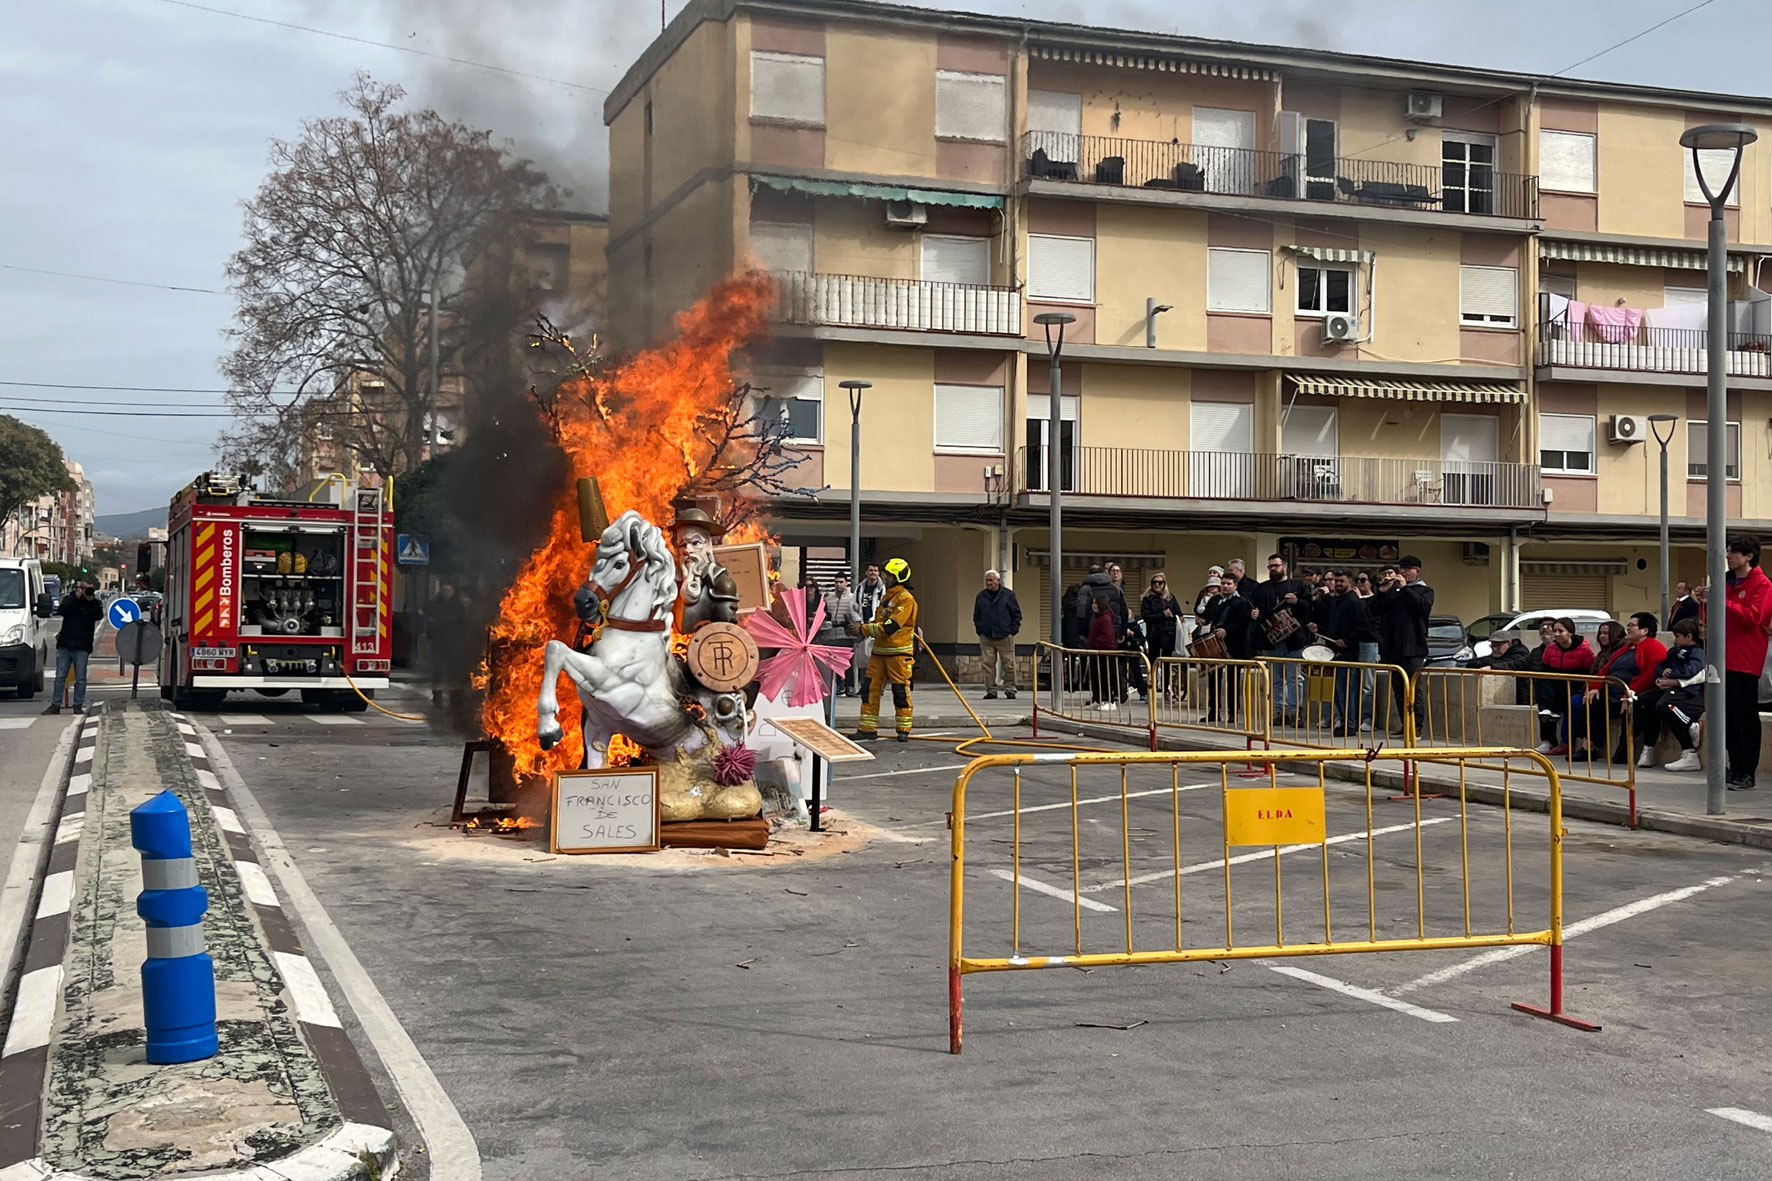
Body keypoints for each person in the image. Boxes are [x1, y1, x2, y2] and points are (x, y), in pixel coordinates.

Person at [1716, 536, 1772, 789]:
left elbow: (1753, 617)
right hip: (1722, 658)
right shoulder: (1726, 581)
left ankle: (1746, 771)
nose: (1729, 556)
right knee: (1726, 717)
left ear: (1749, 556)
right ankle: (1733, 765)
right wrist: (1707, 602)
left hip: (1745, 659)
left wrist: (1723, 602)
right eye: (1728, 551)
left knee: (1745, 718)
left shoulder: (1762, 584)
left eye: (1734, 552)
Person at [848, 558, 918, 742]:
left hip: (898, 654)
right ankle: (867, 728)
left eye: (888, 575)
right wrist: (862, 626)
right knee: (869, 689)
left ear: (898, 577)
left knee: (900, 691)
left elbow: (890, 626)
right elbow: (879, 622)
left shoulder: (905, 599)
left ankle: (903, 729)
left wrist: (862, 629)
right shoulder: (888, 597)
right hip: (879, 652)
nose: (884, 577)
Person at [1369, 555, 1434, 734]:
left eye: (1407, 569)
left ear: (1416, 571)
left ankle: (1416, 726)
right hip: (1393, 647)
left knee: (1413, 688)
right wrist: (1382, 591)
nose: (1403, 573)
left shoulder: (1425, 591)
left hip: (1413, 648)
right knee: (1398, 690)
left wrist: (1405, 588)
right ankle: (1405, 724)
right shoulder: (1394, 591)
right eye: (1401, 569)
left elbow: (1422, 608)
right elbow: (1374, 610)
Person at [1558, 620, 1638, 762]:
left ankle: (1591, 746)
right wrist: (1593, 688)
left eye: (1606, 633)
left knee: (1591, 703)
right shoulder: (1602, 653)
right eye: (1600, 633)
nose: (1602, 636)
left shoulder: (1621, 652)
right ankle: (1569, 742)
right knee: (1576, 701)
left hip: (1616, 692)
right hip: (1597, 689)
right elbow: (1596, 674)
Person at [1637, 619, 1708, 771]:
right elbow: (1660, 665)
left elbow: (1692, 670)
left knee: (1665, 706)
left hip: (1688, 691)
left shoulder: (1697, 652)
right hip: (1669, 687)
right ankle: (1649, 747)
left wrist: (1673, 676)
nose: (1675, 639)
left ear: (1689, 636)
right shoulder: (1674, 651)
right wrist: (1662, 673)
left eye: (1678, 636)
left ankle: (1690, 731)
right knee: (1644, 700)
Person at [1313, 569, 1374, 737]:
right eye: (1336, 580)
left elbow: (1363, 628)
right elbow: (1332, 626)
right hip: (1333, 651)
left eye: (1342, 581)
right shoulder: (1336, 601)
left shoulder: (1354, 602)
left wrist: (1346, 641)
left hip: (1347, 653)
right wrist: (1319, 629)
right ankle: (1343, 721)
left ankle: (1349, 724)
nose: (1338, 584)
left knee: (1346, 691)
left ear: (1350, 582)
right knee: (1338, 692)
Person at [1250, 553, 1309, 722]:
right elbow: (1254, 609)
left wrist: (1297, 602)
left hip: (1294, 640)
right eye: (1270, 566)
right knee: (1275, 679)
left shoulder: (1297, 585)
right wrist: (1253, 614)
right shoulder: (1261, 589)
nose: (1273, 569)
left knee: (1294, 678)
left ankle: (1295, 712)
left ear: (1284, 566)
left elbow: (1309, 607)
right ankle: (1279, 711)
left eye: (1276, 565)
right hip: (1270, 639)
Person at [43, 581, 104, 715]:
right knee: (60, 676)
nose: (85, 591)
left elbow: (98, 615)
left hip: (82, 645)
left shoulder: (94, 602)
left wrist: (90, 600)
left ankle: (78, 705)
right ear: (78, 589)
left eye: (88, 589)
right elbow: (62, 611)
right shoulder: (70, 599)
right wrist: (76, 598)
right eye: (83, 588)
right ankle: (55, 705)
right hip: (65, 643)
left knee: (80, 677)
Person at [1534, 617, 1594, 751]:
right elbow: (1544, 670)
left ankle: (1567, 742)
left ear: (1570, 632)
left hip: (1574, 687)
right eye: (1554, 631)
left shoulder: (1584, 650)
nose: (1556, 634)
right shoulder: (1550, 648)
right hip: (1554, 687)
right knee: (1545, 704)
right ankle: (1548, 740)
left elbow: (1590, 672)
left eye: (1560, 631)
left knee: (1567, 702)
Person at [1204, 572, 1254, 723]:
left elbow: (1244, 622)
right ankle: (1213, 711)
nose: (1225, 586)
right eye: (1223, 583)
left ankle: (1233, 712)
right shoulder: (1214, 601)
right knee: (1213, 678)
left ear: (1235, 585)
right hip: (1216, 644)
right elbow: (1207, 617)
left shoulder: (1242, 602)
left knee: (1233, 680)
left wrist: (1227, 631)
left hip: (1235, 645)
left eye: (1228, 584)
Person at [973, 570, 1022, 700]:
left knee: (1009, 664)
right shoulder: (981, 596)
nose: (989, 583)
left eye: (991, 580)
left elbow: (1016, 614)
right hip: (987, 636)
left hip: (1005, 635)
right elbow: (977, 615)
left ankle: (1010, 689)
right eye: (987, 580)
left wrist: (1012, 631)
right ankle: (991, 690)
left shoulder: (1008, 595)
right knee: (988, 665)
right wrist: (980, 630)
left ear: (998, 581)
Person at [1142, 573, 1183, 701]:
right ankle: (1151, 690)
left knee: (1166, 663)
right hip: (1154, 635)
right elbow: (1146, 617)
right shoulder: (1147, 599)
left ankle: (1166, 690)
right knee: (1153, 663)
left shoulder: (1171, 598)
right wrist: (1162, 615)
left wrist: (1175, 619)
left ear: (1164, 584)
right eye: (1154, 582)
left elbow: (1179, 613)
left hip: (1168, 635)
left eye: (1160, 582)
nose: (1157, 585)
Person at [854, 563, 885, 705]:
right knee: (862, 657)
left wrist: (874, 621)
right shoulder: (860, 588)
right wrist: (858, 621)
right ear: (866, 572)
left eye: (876, 570)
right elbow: (853, 605)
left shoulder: (882, 589)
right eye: (871, 570)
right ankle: (863, 685)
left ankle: (878, 686)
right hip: (862, 626)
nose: (873, 573)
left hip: (875, 627)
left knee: (876, 657)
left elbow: (882, 607)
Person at [824, 574, 860, 695]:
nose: (838, 584)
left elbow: (856, 614)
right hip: (831, 635)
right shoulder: (828, 598)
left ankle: (850, 686)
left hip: (847, 635)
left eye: (841, 582)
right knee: (834, 662)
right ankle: (839, 685)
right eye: (836, 582)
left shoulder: (852, 598)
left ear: (846, 583)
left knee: (848, 663)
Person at [1086, 594, 1120, 710]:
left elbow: (1107, 637)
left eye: (1095, 603)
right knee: (1097, 677)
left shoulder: (1105, 618)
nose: (1093, 605)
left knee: (1105, 677)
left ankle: (1109, 700)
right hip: (1096, 652)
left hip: (1104, 652)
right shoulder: (1098, 618)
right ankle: (1098, 698)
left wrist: (1094, 644)